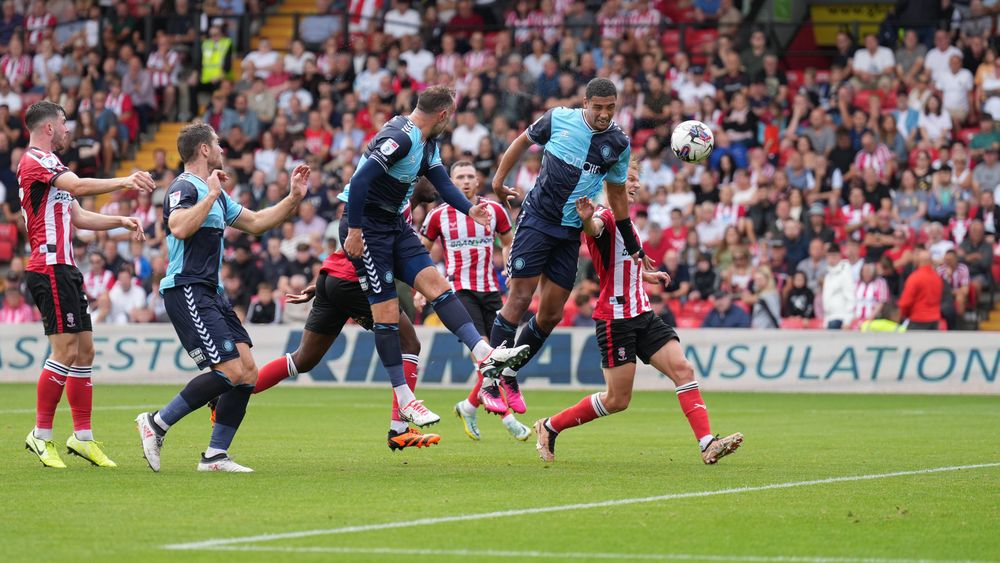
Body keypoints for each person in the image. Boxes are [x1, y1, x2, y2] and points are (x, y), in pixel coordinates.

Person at [339, 86, 530, 427]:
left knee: (439, 286)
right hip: (367, 228)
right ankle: (405, 399)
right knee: (386, 316)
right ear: (442, 115)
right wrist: (354, 231)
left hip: (394, 225)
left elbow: (443, 185)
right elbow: (360, 180)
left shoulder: (428, 144)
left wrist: (471, 210)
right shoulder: (400, 137)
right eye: (451, 116)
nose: (450, 122)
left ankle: (484, 355)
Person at [534, 167, 742, 465]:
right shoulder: (605, 216)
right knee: (617, 400)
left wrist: (646, 274)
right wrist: (584, 218)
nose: (633, 184)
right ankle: (550, 425)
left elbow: (620, 263)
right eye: (627, 179)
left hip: (642, 312)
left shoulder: (628, 220)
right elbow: (593, 230)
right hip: (615, 318)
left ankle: (707, 442)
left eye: (636, 179)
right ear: (611, 183)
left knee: (683, 369)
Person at [135, 123, 311, 473]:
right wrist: (212, 196)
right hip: (186, 288)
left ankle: (215, 456)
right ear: (203, 149)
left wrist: (293, 198)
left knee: (246, 371)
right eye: (216, 144)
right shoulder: (185, 186)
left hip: (211, 292)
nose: (221, 149)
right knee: (229, 370)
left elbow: (258, 222)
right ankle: (155, 423)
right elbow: (179, 227)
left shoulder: (214, 191)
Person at [489, 78, 635, 415]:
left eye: (610, 108)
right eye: (598, 107)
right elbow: (521, 142)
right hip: (537, 221)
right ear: (585, 102)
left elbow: (616, 195)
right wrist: (498, 181)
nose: (603, 114)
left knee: (551, 313)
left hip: (569, 232)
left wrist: (631, 241)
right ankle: (491, 378)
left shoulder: (618, 143)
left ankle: (509, 371)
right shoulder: (558, 119)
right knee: (520, 298)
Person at [18, 100, 153, 469]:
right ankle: (41, 435)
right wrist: (125, 179)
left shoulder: (53, 167)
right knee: (64, 352)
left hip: (66, 267)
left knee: (85, 352)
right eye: (64, 123)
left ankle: (82, 438)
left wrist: (121, 220)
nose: (67, 129)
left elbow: (76, 215)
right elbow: (77, 186)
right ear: (48, 128)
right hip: (48, 267)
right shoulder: (35, 160)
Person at [241, 221, 442, 451]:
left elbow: (351, 247)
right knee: (409, 344)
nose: (436, 189)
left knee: (303, 358)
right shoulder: (397, 207)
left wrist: (320, 284)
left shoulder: (384, 203)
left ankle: (233, 394)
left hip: (332, 278)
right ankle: (399, 430)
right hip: (356, 284)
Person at [419, 160, 531, 441]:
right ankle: (508, 419)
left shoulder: (493, 210)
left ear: (478, 181)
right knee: (486, 358)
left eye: (470, 176)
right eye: (460, 177)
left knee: (497, 356)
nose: (466, 181)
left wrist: (509, 265)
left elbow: (508, 241)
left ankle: (468, 406)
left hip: (491, 291)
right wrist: (421, 287)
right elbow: (422, 254)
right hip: (458, 292)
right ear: (451, 182)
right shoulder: (437, 216)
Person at [897, 249, 944, 330]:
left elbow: (906, 302)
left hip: (918, 319)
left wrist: (901, 315)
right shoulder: (937, 278)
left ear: (919, 261)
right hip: (935, 320)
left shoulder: (915, 277)